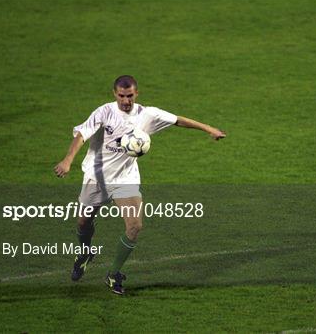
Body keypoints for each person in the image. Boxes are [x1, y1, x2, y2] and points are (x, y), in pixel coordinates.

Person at [54, 75, 226, 295]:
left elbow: (178, 120)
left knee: (135, 226)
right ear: (114, 94)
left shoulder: (147, 114)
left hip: (126, 179)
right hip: (96, 177)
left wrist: (208, 129)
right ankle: (85, 253)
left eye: (130, 96)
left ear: (137, 93)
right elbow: (81, 135)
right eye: (122, 96)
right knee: (82, 223)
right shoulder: (104, 112)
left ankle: (113, 273)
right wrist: (68, 160)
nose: (126, 100)